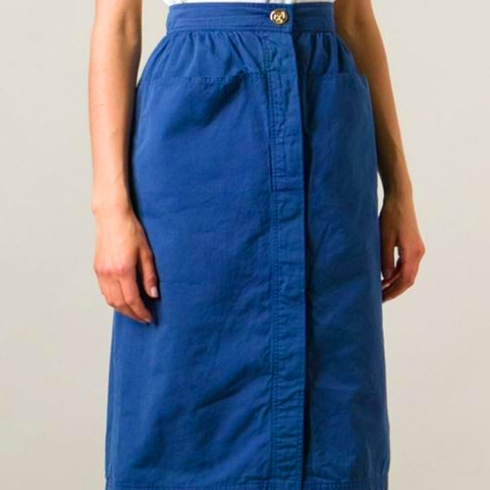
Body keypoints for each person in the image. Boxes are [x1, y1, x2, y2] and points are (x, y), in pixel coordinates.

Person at [88, 1, 425, 490]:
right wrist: (110, 210)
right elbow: (117, 25)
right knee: (178, 380)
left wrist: (399, 191)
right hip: (197, 128)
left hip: (329, 133)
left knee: (333, 392)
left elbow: (354, 19)